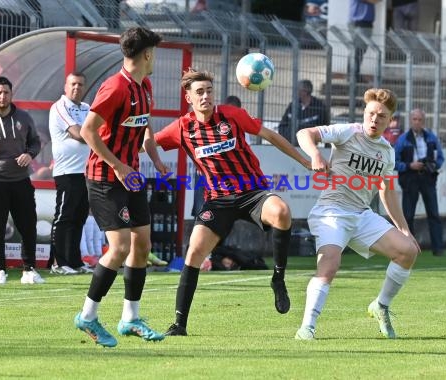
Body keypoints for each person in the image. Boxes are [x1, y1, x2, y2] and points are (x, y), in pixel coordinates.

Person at [155, 68, 311, 336]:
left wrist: (306, 162)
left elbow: (271, 136)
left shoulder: (231, 115)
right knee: (193, 252)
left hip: (252, 192)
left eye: (209, 91)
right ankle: (179, 324)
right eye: (199, 92)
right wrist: (131, 160)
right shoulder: (182, 127)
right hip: (218, 201)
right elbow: (149, 141)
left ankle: (278, 278)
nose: (206, 96)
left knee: (282, 212)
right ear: (188, 98)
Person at [294, 88, 421, 341]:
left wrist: (404, 228)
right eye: (372, 113)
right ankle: (307, 327)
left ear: (390, 120)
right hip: (331, 211)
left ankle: (381, 306)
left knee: (408, 251)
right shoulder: (347, 132)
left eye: (382, 116)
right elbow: (304, 133)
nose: (375, 119)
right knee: (330, 264)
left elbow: (386, 190)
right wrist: (316, 153)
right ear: (365, 113)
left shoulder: (386, 151)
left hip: (361, 216)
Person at [73, 26, 167, 348]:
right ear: (147, 54)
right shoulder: (114, 87)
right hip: (104, 177)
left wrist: (155, 157)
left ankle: (130, 318)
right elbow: (88, 131)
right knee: (120, 247)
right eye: (155, 53)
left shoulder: (145, 87)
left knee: (142, 244)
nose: (156, 59)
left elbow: (144, 127)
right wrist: (118, 165)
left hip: (132, 177)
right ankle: (87, 315)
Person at [0, 76, 45, 285]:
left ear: (11, 94)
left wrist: (30, 154)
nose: (3, 96)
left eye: (6, 92)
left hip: (21, 182)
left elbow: (35, 142)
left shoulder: (24, 118)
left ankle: (29, 270)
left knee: (28, 226)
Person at [48, 72, 92, 275]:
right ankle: (58, 262)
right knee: (64, 217)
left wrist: (92, 133)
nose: (77, 88)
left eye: (80, 85)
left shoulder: (86, 108)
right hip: (67, 172)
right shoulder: (59, 107)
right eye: (73, 84)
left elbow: (95, 130)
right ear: (65, 86)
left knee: (79, 217)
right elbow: (79, 134)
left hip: (86, 172)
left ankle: (74, 262)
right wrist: (92, 134)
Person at [394, 109, 445, 256]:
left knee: (434, 214)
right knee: (408, 216)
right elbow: (394, 162)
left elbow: (440, 158)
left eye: (420, 120)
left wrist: (433, 166)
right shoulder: (403, 139)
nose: (417, 122)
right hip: (410, 178)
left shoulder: (431, 138)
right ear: (411, 121)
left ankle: (438, 249)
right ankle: (408, 248)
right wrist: (409, 165)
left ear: (424, 121)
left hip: (427, 178)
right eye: (414, 119)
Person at [278, 79, 329, 145]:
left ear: (305, 92)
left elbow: (324, 128)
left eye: (298, 90)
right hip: (290, 144)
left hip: (309, 145)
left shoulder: (319, 107)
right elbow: (282, 125)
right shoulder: (292, 105)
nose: (295, 92)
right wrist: (287, 137)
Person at [349, 0, 381, 81]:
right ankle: (352, 76)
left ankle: (354, 75)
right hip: (359, 23)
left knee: (360, 51)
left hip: (365, 24)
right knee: (357, 51)